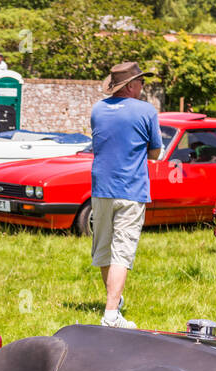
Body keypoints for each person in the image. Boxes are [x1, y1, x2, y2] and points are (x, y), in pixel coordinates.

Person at [88, 61, 161, 329]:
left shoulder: (98, 109)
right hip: (131, 188)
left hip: (101, 187)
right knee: (122, 250)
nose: (143, 86)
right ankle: (110, 315)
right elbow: (155, 152)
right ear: (130, 86)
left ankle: (113, 301)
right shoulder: (146, 111)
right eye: (141, 82)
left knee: (104, 248)